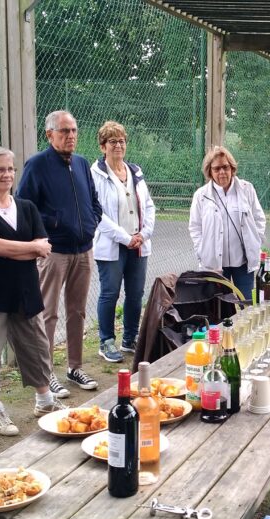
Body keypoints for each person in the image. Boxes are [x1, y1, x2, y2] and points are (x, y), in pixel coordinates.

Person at [0, 146, 68, 436]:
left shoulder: (27, 207)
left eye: (10, 169)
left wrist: (19, 250)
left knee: (35, 346)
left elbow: (43, 247)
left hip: (24, 289)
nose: (7, 174)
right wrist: (28, 247)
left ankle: (45, 401)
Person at [17, 110, 102, 395]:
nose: (71, 136)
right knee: (48, 314)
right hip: (54, 252)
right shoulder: (37, 165)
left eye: (74, 130)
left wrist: (91, 224)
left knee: (77, 311)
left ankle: (74, 367)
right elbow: (24, 207)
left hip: (83, 249)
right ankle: (46, 372)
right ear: (49, 134)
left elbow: (92, 200)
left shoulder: (80, 164)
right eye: (64, 131)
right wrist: (46, 234)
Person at [90, 121, 155, 363]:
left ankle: (130, 338)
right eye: (112, 141)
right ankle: (106, 341)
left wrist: (143, 234)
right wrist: (125, 238)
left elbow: (148, 205)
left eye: (121, 141)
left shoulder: (135, 171)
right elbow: (97, 213)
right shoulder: (95, 174)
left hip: (138, 244)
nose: (118, 145)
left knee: (136, 293)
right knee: (110, 293)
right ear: (103, 146)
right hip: (112, 245)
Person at [188, 146, 266, 298]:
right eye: (216, 169)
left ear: (232, 168)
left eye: (225, 167)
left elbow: (259, 218)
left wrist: (256, 242)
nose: (222, 172)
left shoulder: (247, 189)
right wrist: (202, 251)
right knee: (218, 310)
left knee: (247, 306)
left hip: (243, 263)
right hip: (215, 265)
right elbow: (195, 227)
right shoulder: (201, 196)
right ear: (210, 172)